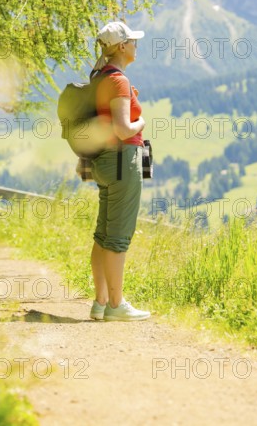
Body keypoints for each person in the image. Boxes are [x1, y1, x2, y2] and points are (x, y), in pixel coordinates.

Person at [89, 21, 150, 321]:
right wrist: (143, 123)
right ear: (122, 46)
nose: (137, 45)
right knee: (118, 237)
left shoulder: (100, 77)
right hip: (122, 160)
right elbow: (124, 129)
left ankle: (100, 302)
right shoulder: (118, 81)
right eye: (133, 41)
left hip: (102, 162)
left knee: (103, 235)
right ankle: (116, 305)